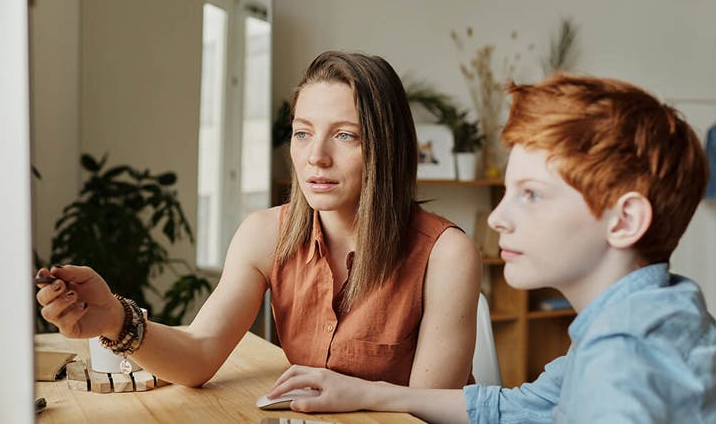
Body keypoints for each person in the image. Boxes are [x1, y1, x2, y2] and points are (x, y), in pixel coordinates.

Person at [266, 74, 716, 422]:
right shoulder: (652, 314)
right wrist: (372, 394)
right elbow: (521, 408)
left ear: (625, 220)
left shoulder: (623, 361)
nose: (498, 218)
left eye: (532, 195)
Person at [36, 51, 481, 389]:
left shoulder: (446, 254)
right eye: (303, 132)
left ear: (387, 148)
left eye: (345, 135)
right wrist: (115, 318)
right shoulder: (265, 234)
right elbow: (199, 354)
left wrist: (348, 395)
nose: (316, 157)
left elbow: (428, 412)